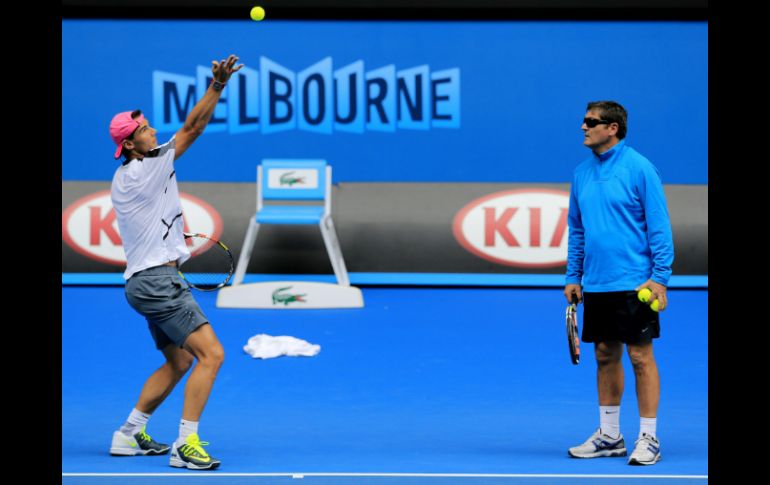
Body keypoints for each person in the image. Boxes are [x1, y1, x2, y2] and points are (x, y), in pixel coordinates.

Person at [107, 54, 243, 470]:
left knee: (181, 359)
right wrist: (217, 85)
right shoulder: (146, 168)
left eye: (148, 124)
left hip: (141, 283)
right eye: (144, 130)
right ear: (130, 145)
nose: (152, 131)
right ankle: (187, 445)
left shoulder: (125, 177)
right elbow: (194, 127)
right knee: (211, 355)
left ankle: (128, 434)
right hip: (159, 283)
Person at [564, 101, 674, 466]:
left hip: (635, 283)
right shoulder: (581, 174)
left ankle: (649, 436)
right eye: (584, 121)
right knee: (604, 355)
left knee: (641, 356)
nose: (583, 127)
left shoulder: (640, 168)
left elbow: (659, 225)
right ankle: (610, 435)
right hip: (597, 283)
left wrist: (660, 277)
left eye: (591, 122)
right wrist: (573, 275)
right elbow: (577, 231)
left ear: (612, 128)